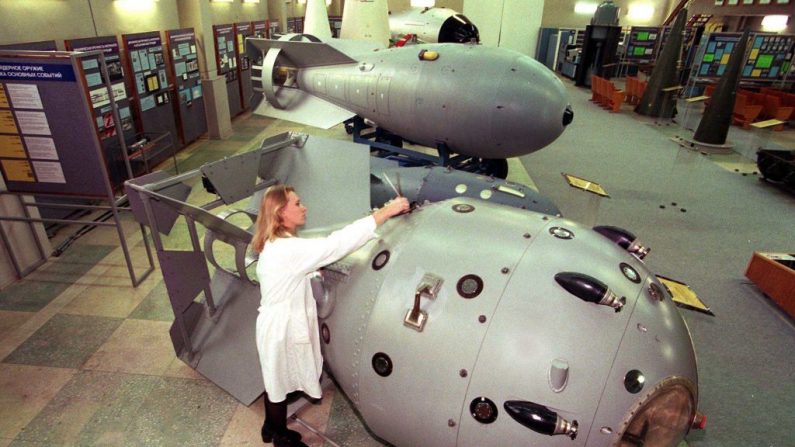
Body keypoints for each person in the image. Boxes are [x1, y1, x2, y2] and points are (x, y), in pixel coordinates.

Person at [252, 185, 409, 447]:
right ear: (281, 213)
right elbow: (336, 244)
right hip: (282, 328)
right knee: (278, 382)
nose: (304, 208)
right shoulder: (289, 249)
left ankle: (270, 426)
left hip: (276, 323)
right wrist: (385, 212)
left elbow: (288, 275)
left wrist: (312, 272)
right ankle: (280, 437)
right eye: (298, 204)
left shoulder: (276, 243)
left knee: (275, 377)